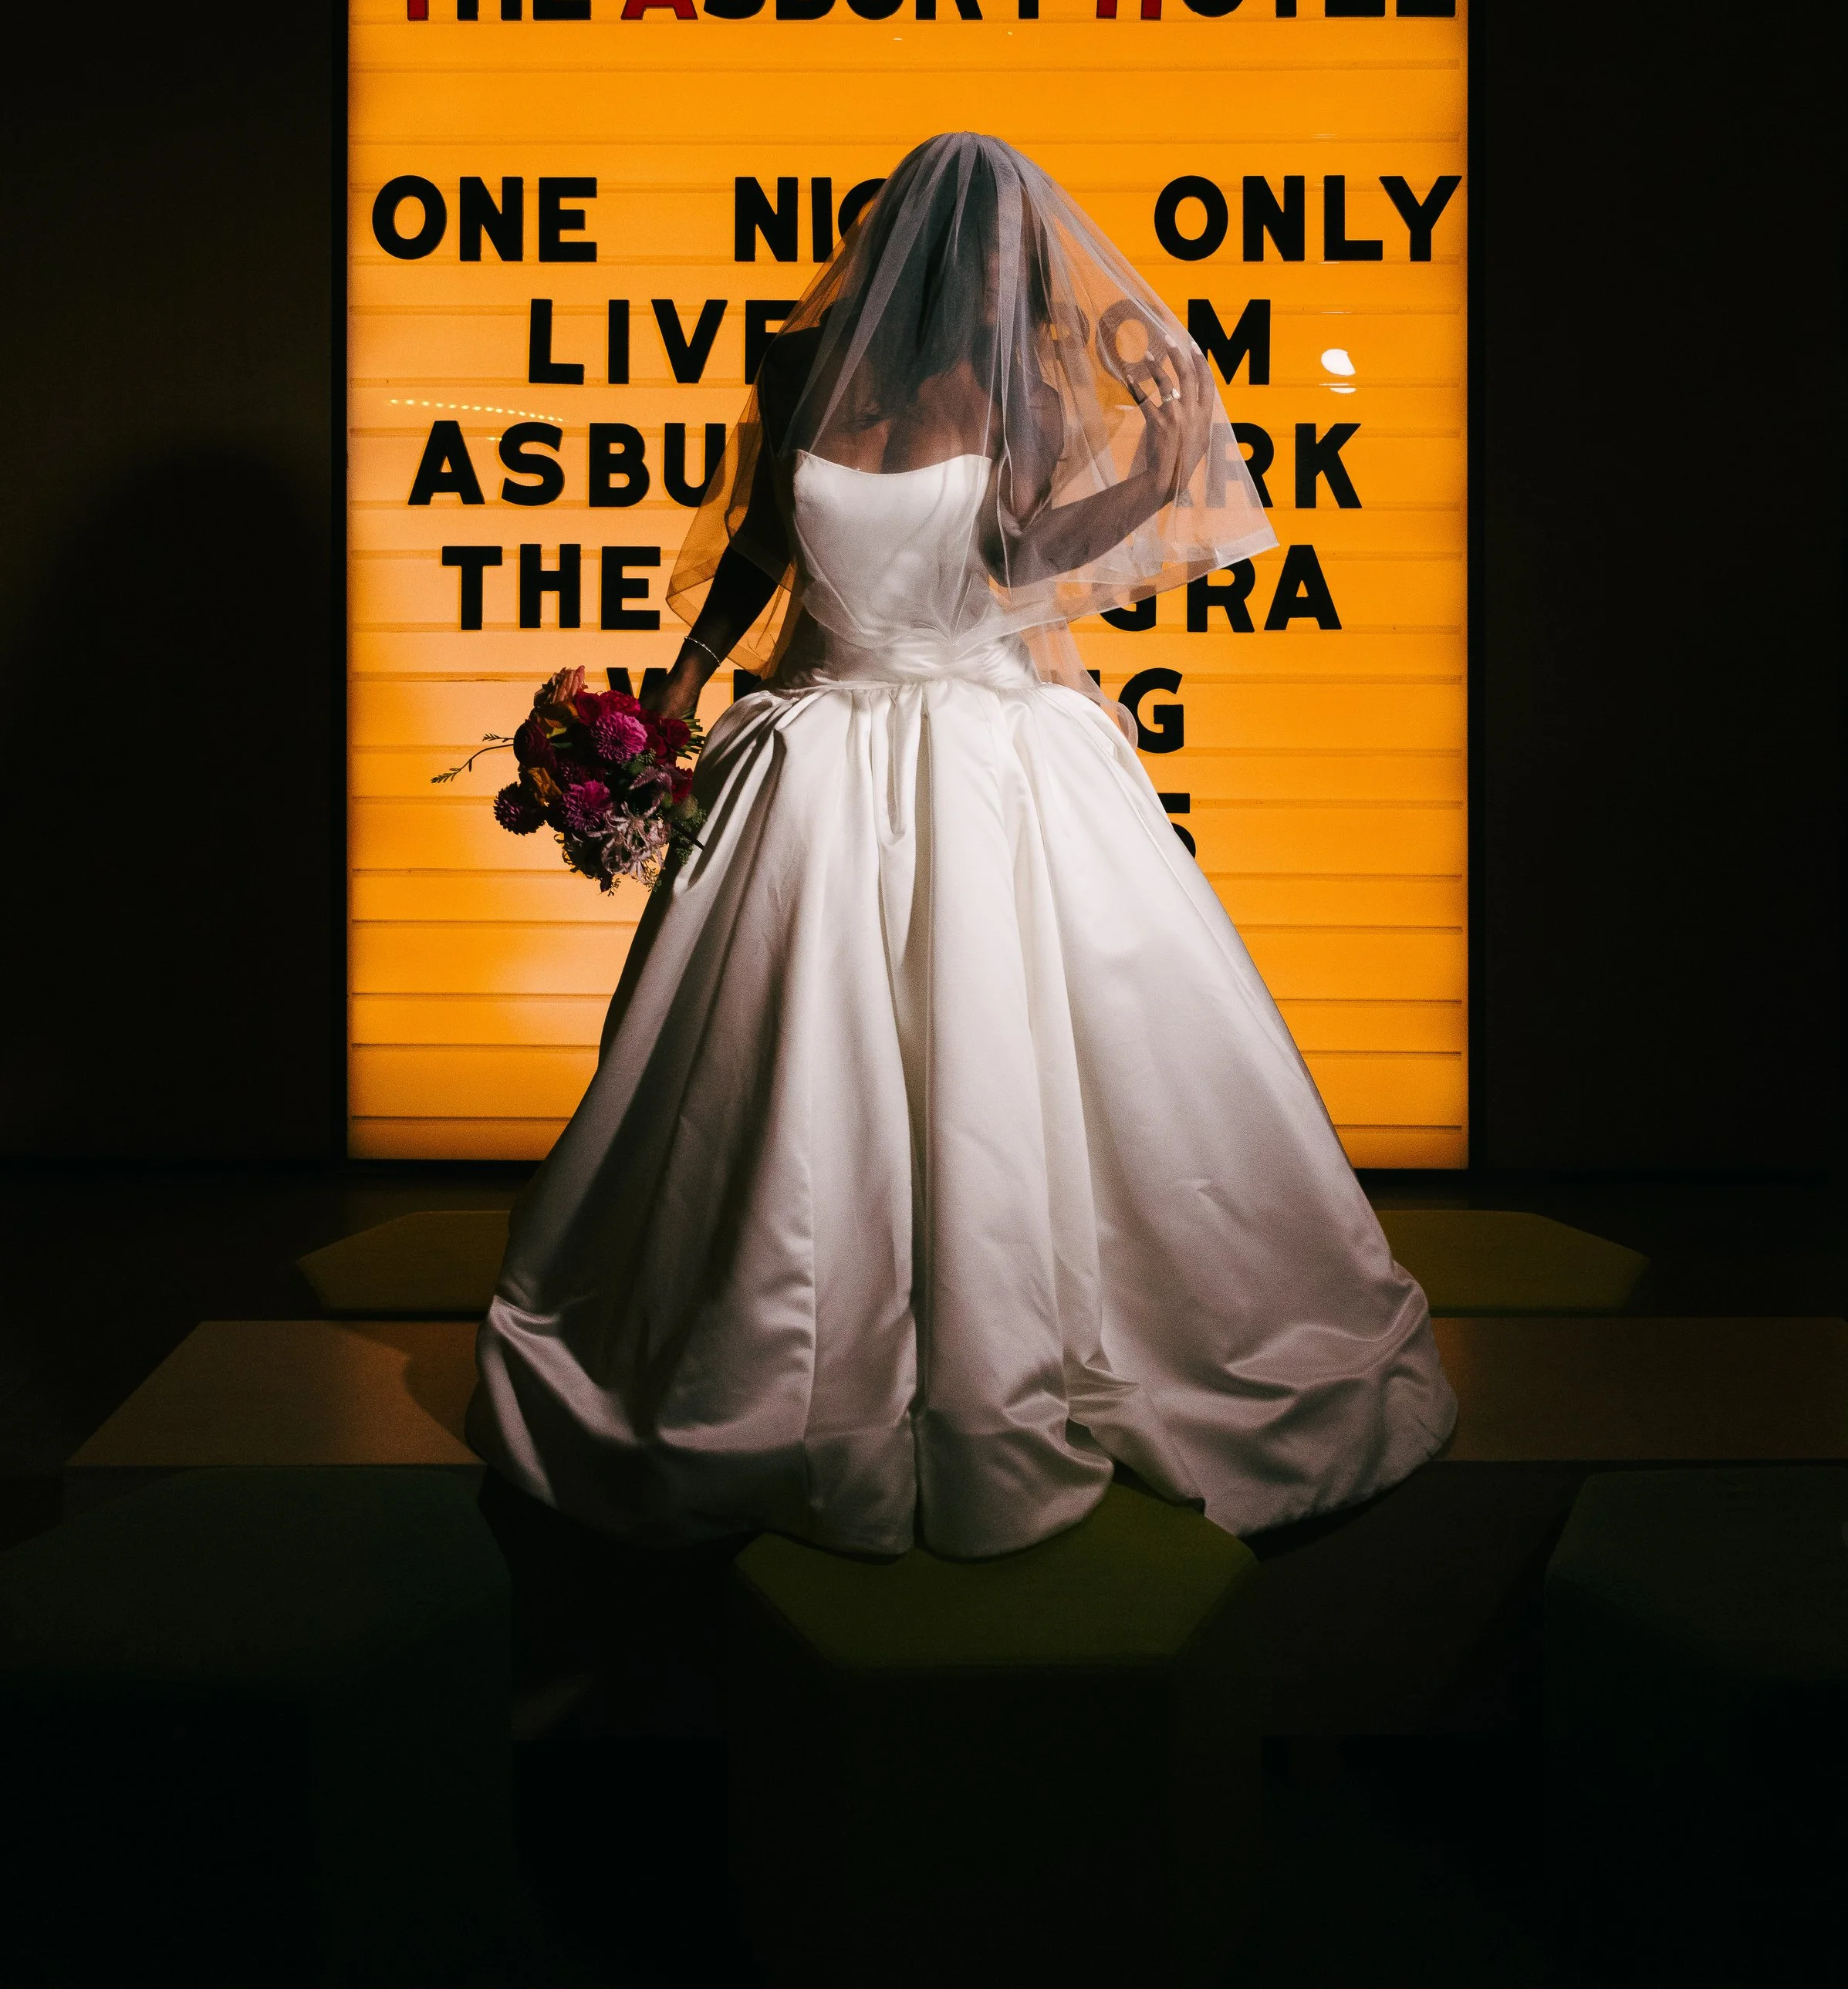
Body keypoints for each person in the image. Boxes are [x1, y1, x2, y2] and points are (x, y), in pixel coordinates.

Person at [469, 133, 1455, 1558]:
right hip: (844, 731)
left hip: (905, 740)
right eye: (1009, 251)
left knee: (936, 1045)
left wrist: (1163, 464)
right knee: (820, 1055)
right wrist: (672, 692)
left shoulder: (956, 381)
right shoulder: (857, 373)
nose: (1021, 274)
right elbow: (779, 542)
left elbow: (998, 563)